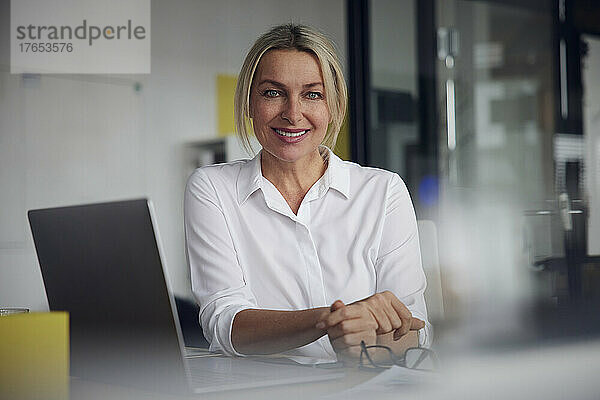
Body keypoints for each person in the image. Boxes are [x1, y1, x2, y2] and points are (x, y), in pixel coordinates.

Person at [184, 23, 431, 364]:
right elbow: (224, 323)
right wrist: (329, 321)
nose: (292, 113)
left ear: (332, 107)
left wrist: (370, 338)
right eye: (273, 92)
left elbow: (414, 328)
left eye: (312, 94)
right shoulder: (212, 188)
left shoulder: (383, 191)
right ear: (249, 103)